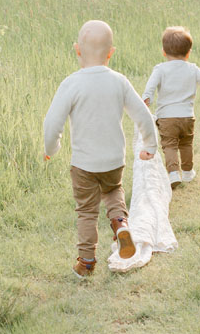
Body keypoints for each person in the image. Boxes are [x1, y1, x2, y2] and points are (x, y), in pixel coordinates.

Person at [43, 20, 157, 280]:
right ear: (111, 52)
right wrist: (150, 145)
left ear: (77, 50)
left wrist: (52, 147)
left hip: (84, 164)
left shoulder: (71, 84)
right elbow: (143, 115)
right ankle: (121, 226)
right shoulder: (119, 81)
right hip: (113, 160)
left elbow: (52, 123)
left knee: (86, 211)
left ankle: (86, 263)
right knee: (114, 191)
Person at [142, 26, 200, 189]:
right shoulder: (192, 69)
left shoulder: (160, 69)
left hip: (167, 117)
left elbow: (151, 87)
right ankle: (188, 172)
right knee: (186, 144)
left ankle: (174, 173)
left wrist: (147, 98)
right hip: (187, 117)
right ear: (189, 52)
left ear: (163, 51)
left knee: (169, 145)